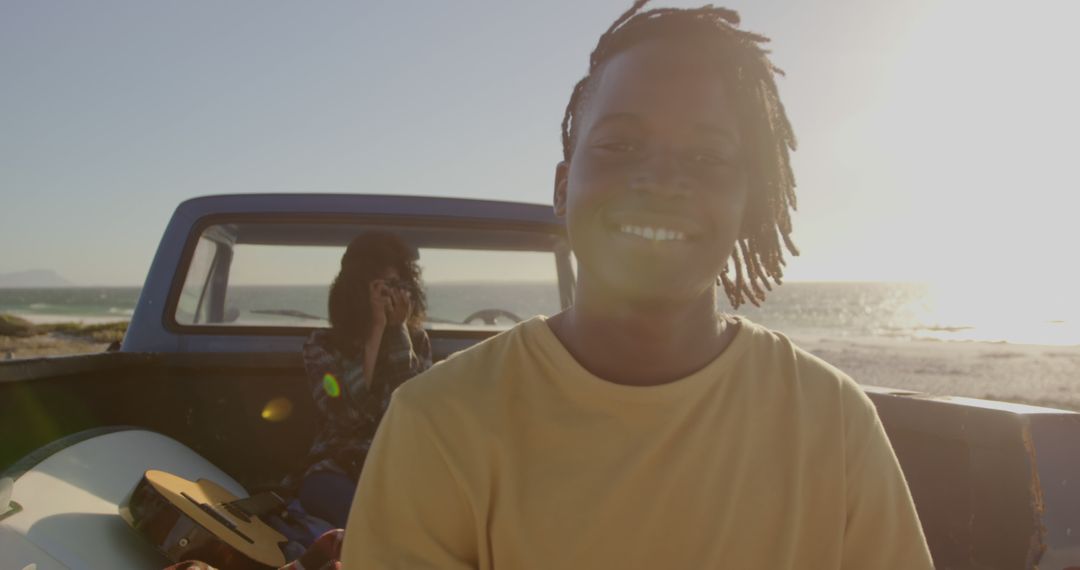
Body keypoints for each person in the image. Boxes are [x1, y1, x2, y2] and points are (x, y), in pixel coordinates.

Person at [342, 2, 933, 568]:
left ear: (747, 201)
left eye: (707, 157)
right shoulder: (439, 422)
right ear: (562, 186)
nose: (660, 180)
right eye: (620, 145)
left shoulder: (831, 420)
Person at [291, 231, 431, 530]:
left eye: (396, 286)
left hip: (400, 463)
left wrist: (397, 333)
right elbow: (347, 416)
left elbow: (414, 410)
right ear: (356, 291)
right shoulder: (322, 345)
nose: (390, 297)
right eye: (381, 288)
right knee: (365, 521)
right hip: (337, 467)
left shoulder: (415, 342)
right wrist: (375, 332)